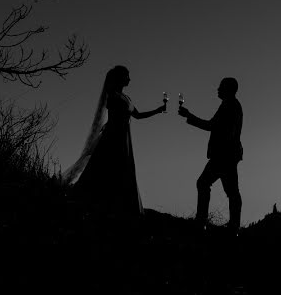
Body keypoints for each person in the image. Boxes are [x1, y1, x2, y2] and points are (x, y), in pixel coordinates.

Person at [62, 65, 165, 217]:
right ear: (119, 78)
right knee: (107, 167)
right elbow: (115, 117)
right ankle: (99, 202)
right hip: (114, 136)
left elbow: (138, 115)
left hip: (124, 137)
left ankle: (120, 205)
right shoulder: (113, 96)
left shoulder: (127, 98)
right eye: (127, 76)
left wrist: (157, 111)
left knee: (122, 168)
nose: (129, 79)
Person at [178, 77, 243, 234]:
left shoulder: (229, 106)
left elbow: (211, 126)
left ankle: (202, 221)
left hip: (223, 155)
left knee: (204, 183)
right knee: (231, 191)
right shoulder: (231, 105)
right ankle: (232, 226)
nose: (217, 89)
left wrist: (189, 116)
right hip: (228, 155)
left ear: (228, 89)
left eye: (221, 87)